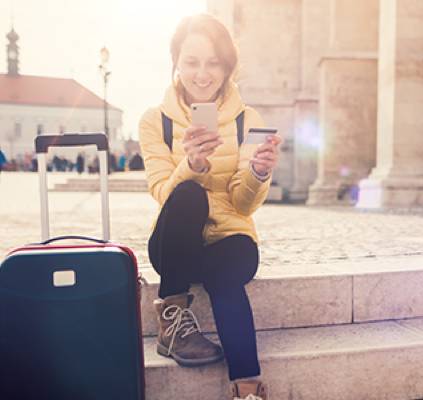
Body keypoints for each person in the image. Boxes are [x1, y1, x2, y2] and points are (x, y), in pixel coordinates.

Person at [138, 13, 282, 400]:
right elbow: (160, 192)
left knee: (224, 275)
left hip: (231, 240)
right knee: (189, 194)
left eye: (213, 62)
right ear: (176, 64)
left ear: (227, 68)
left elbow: (243, 204)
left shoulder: (248, 120)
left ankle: (248, 391)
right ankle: (172, 319)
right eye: (191, 62)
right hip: (174, 246)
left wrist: (257, 173)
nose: (202, 74)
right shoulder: (155, 121)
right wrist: (193, 165)